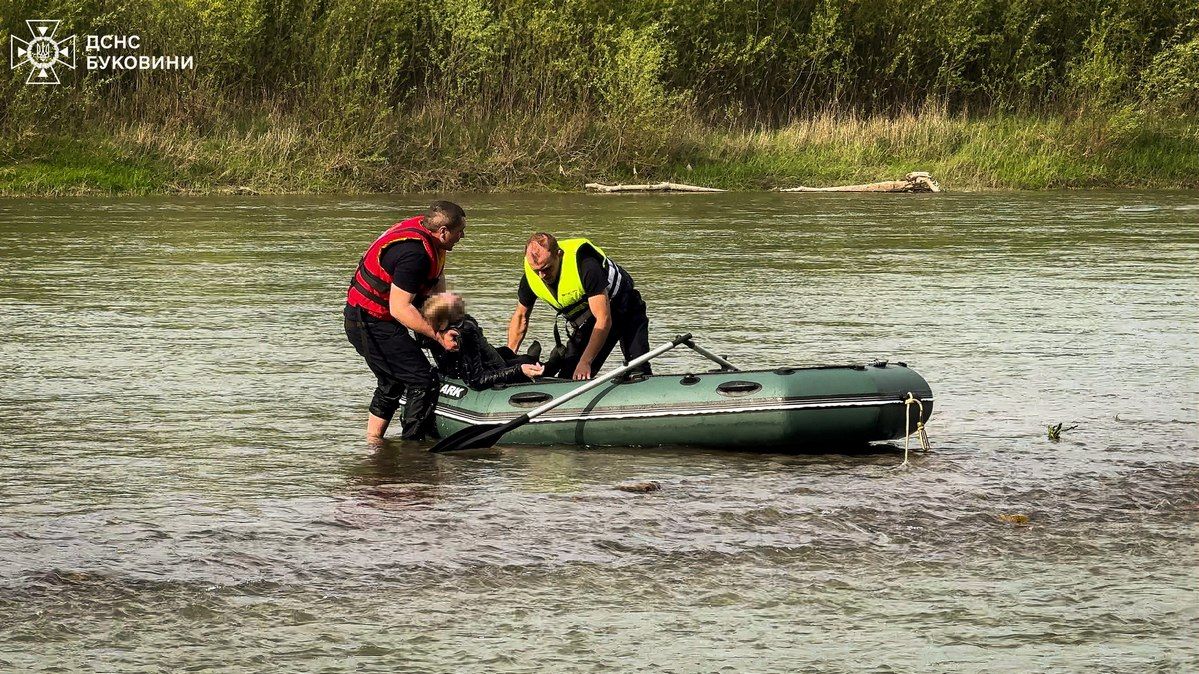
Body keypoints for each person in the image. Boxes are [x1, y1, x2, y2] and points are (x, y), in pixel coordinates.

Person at [343, 201, 466, 442]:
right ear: (443, 231)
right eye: (460, 231)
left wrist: (444, 322)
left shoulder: (428, 235)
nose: (462, 236)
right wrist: (438, 336)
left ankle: (374, 442)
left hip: (376, 318)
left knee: (391, 382)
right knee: (422, 380)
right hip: (368, 323)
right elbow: (400, 309)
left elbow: (435, 283)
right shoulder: (414, 255)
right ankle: (411, 447)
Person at [506, 233, 651, 380]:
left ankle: (642, 379)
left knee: (638, 369)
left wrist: (586, 362)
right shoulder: (532, 276)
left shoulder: (586, 266)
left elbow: (603, 320)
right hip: (590, 320)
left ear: (559, 254)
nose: (542, 275)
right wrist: (508, 358)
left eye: (547, 268)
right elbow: (521, 317)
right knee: (568, 376)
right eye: (537, 270)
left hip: (624, 306)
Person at [421, 294, 545, 389]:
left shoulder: (465, 331)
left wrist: (520, 370)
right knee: (509, 355)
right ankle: (532, 358)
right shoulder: (431, 329)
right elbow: (476, 379)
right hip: (489, 360)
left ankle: (542, 361)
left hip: (493, 366)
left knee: (516, 359)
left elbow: (476, 379)